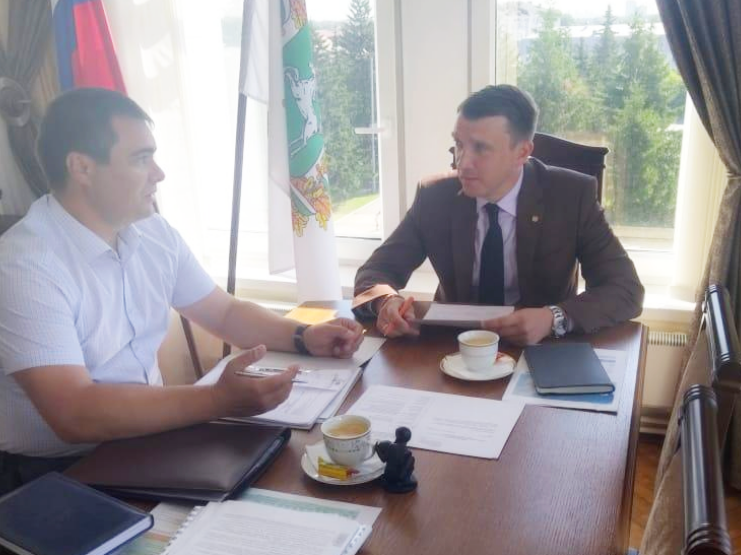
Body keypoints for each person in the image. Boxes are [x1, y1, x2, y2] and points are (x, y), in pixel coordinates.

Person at [0, 87, 363, 492]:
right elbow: (74, 413)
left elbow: (223, 312)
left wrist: (303, 336)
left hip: (148, 440)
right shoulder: (25, 266)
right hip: (54, 474)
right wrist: (218, 400)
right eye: (141, 159)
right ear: (82, 168)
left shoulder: (152, 231)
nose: (159, 173)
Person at [353, 84, 643, 345]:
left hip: (542, 347)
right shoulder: (435, 196)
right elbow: (375, 273)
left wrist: (553, 317)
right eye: (459, 144)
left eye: (481, 148)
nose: (463, 162)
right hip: (453, 346)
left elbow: (626, 289)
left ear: (522, 152)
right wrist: (386, 302)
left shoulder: (571, 196)